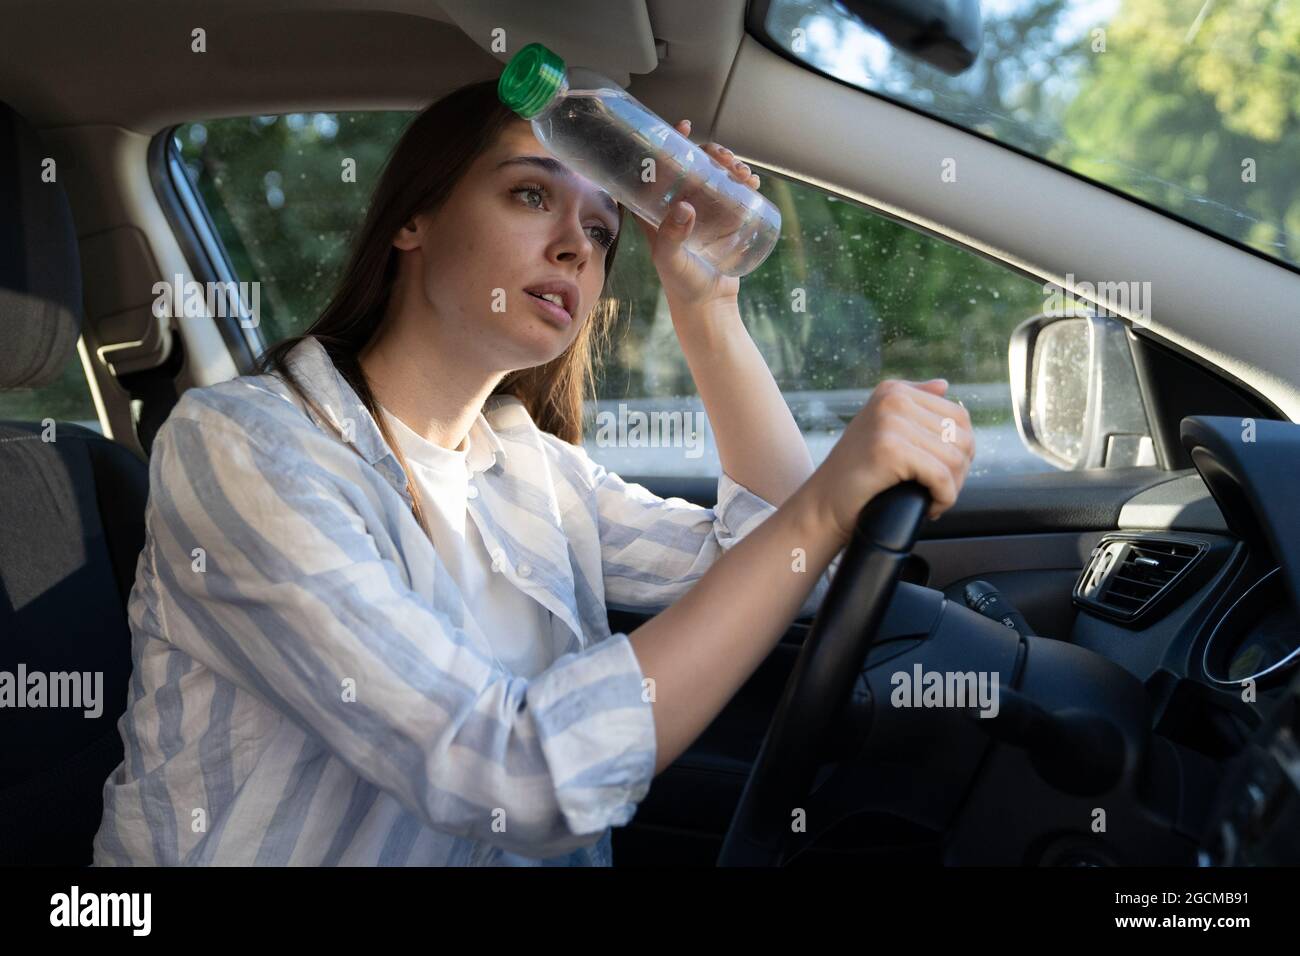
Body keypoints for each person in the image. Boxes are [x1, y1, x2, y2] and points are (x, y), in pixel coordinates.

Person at [92, 80, 973, 866]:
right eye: (530, 194)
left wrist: (707, 308)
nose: (576, 248)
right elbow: (510, 775)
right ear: (413, 219)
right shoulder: (244, 448)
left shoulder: (531, 468)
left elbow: (782, 571)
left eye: (600, 227)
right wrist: (823, 508)